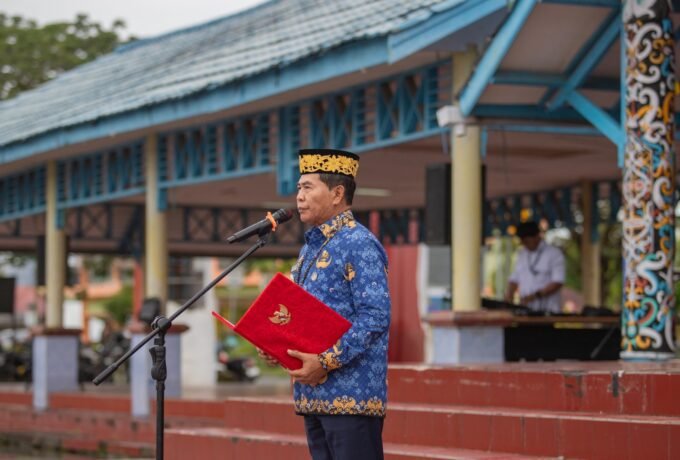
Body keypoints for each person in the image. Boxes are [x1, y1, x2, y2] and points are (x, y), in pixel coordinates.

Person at [258, 148, 391, 460]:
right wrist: (277, 345)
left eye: (307, 187)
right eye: (298, 188)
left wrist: (326, 361)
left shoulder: (359, 243)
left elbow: (375, 317)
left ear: (337, 193)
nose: (299, 197)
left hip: (352, 397)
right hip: (313, 395)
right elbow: (301, 316)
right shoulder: (310, 249)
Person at [504, 221, 565, 314]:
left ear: (537, 236)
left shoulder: (554, 253)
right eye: (522, 242)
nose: (525, 244)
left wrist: (534, 296)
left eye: (527, 241)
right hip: (525, 310)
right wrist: (509, 295)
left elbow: (557, 281)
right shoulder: (522, 254)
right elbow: (515, 278)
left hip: (548, 311)